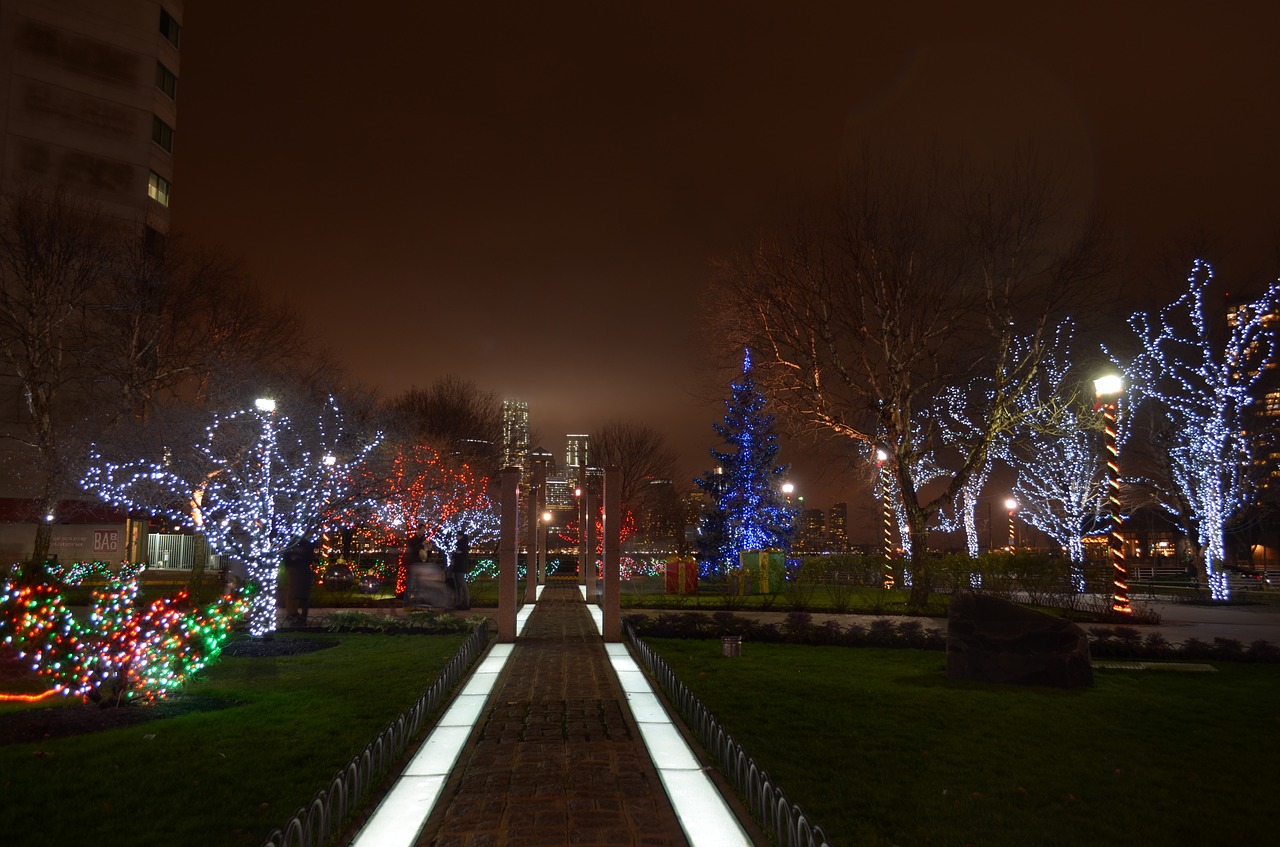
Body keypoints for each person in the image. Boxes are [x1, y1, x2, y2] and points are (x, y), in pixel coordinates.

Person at [282, 540, 315, 626]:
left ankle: (299, 616)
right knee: (294, 593)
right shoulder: (294, 542)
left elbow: (309, 556)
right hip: (296, 569)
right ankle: (293, 614)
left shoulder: (304, 544)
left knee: (301, 595)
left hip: (302, 570)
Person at [451, 532, 471, 610]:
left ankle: (465, 603)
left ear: (461, 536)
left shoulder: (462, 546)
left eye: (457, 536)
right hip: (458, 567)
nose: (456, 537)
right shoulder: (461, 545)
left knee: (461, 585)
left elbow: (460, 555)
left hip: (459, 567)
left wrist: (455, 555)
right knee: (459, 586)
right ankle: (460, 603)